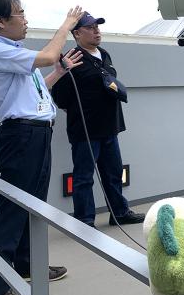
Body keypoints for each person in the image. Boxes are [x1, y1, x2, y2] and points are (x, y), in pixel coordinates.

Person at [0, 0, 84, 295]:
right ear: (0, 21)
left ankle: (26, 265)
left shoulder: (13, 52)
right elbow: (49, 55)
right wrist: (68, 24)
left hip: (35, 134)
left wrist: (60, 73)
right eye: (20, 13)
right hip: (21, 136)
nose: (25, 19)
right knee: (12, 210)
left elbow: (35, 90)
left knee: (31, 204)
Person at [51, 12, 145, 228]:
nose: (96, 31)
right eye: (90, 28)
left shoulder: (104, 54)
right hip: (85, 129)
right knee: (84, 177)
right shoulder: (71, 58)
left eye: (97, 27)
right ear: (76, 33)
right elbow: (60, 97)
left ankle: (119, 213)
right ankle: (85, 221)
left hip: (110, 127)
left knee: (113, 173)